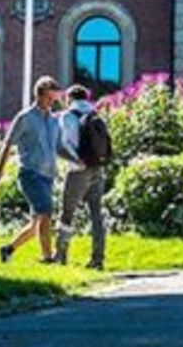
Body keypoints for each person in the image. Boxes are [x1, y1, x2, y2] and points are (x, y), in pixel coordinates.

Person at [0, 76, 62, 264]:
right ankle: (47, 258)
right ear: (38, 95)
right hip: (30, 174)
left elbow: (58, 147)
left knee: (36, 222)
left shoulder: (54, 121)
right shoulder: (25, 117)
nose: (52, 102)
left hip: (48, 176)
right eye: (49, 98)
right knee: (46, 212)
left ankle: (7, 249)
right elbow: (7, 145)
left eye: (54, 99)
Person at [54, 84, 112, 269]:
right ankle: (98, 258)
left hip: (78, 170)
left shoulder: (67, 116)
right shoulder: (95, 115)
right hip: (98, 168)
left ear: (68, 98)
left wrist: (75, 160)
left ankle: (61, 256)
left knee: (67, 214)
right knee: (96, 213)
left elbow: (63, 145)